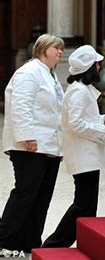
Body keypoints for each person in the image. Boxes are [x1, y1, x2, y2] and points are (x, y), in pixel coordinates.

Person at [42, 45, 105, 248]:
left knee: (87, 206)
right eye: (97, 64)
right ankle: (54, 244)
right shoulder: (78, 92)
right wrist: (103, 131)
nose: (99, 67)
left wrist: (104, 120)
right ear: (89, 67)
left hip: (87, 155)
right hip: (83, 156)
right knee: (83, 205)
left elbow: (86, 118)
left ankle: (81, 242)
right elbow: (76, 124)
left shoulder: (80, 91)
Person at [0, 34, 64, 254]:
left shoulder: (50, 75)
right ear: (43, 49)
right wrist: (27, 136)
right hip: (31, 146)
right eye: (57, 48)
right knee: (25, 194)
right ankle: (5, 240)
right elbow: (21, 105)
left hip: (49, 146)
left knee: (41, 196)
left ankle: (30, 241)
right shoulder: (29, 72)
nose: (60, 52)